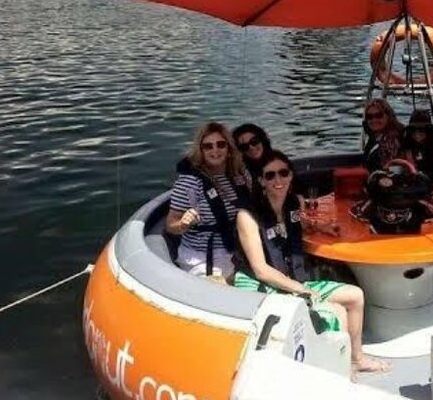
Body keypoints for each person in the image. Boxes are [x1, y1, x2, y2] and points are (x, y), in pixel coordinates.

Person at [234, 151, 389, 374]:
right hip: (263, 284)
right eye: (270, 176)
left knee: (355, 296)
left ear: (290, 176)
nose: (278, 180)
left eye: (283, 173)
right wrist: (302, 290)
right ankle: (340, 374)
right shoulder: (248, 216)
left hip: (290, 279)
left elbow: (296, 225)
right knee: (335, 312)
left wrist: (321, 228)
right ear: (261, 181)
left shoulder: (291, 205)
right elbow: (261, 270)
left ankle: (357, 359)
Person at [166, 121, 250, 278]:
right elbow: (171, 225)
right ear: (201, 150)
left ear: (229, 148)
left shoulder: (240, 175)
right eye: (208, 146)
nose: (215, 150)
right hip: (203, 257)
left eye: (221, 144)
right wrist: (184, 223)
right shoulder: (190, 181)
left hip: (237, 250)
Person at [362, 98, 404, 172]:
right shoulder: (374, 138)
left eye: (378, 115)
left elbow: (390, 169)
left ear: (388, 116)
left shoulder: (391, 140)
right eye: (369, 117)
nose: (374, 120)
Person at [401, 109, 433, 180]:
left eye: (421, 130)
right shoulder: (407, 142)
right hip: (413, 175)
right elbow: (410, 163)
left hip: (430, 175)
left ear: (428, 131)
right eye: (413, 130)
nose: (417, 134)